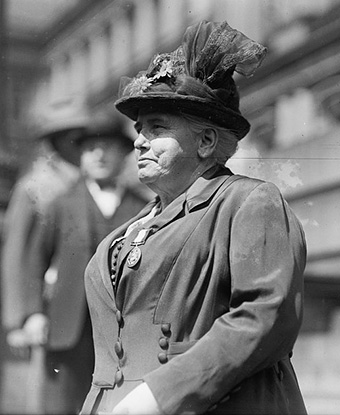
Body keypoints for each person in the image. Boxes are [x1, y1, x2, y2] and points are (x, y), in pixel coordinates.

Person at [80, 20, 307, 415]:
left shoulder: (249, 202)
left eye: (157, 127)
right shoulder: (133, 226)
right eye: (138, 128)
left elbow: (264, 317)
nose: (138, 140)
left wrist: (158, 396)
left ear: (205, 142)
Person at [2, 116, 148, 415]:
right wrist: (32, 315)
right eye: (90, 148)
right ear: (80, 156)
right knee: (63, 403)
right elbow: (33, 260)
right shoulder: (61, 204)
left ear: (124, 155)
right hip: (69, 326)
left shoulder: (143, 206)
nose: (99, 155)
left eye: (107, 147)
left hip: (126, 329)